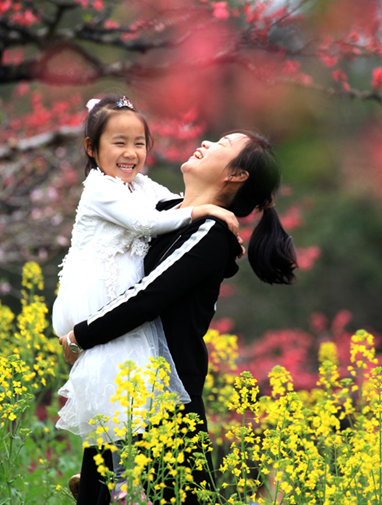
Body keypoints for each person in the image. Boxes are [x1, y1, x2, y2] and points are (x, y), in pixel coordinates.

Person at [60, 130, 298, 505]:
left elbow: (149, 295)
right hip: (125, 386)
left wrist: (81, 336)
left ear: (236, 175)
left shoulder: (212, 233)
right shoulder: (164, 210)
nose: (206, 143)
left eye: (222, 145)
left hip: (166, 401)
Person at [51, 95, 240, 499]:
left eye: (139, 143)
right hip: (95, 301)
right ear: (91, 148)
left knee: (126, 393)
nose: (131, 152)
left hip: (116, 313)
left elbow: (166, 201)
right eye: (118, 143)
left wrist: (205, 212)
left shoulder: (140, 187)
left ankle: (103, 484)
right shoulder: (100, 188)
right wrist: (206, 211)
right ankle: (108, 483)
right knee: (123, 386)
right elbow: (148, 219)